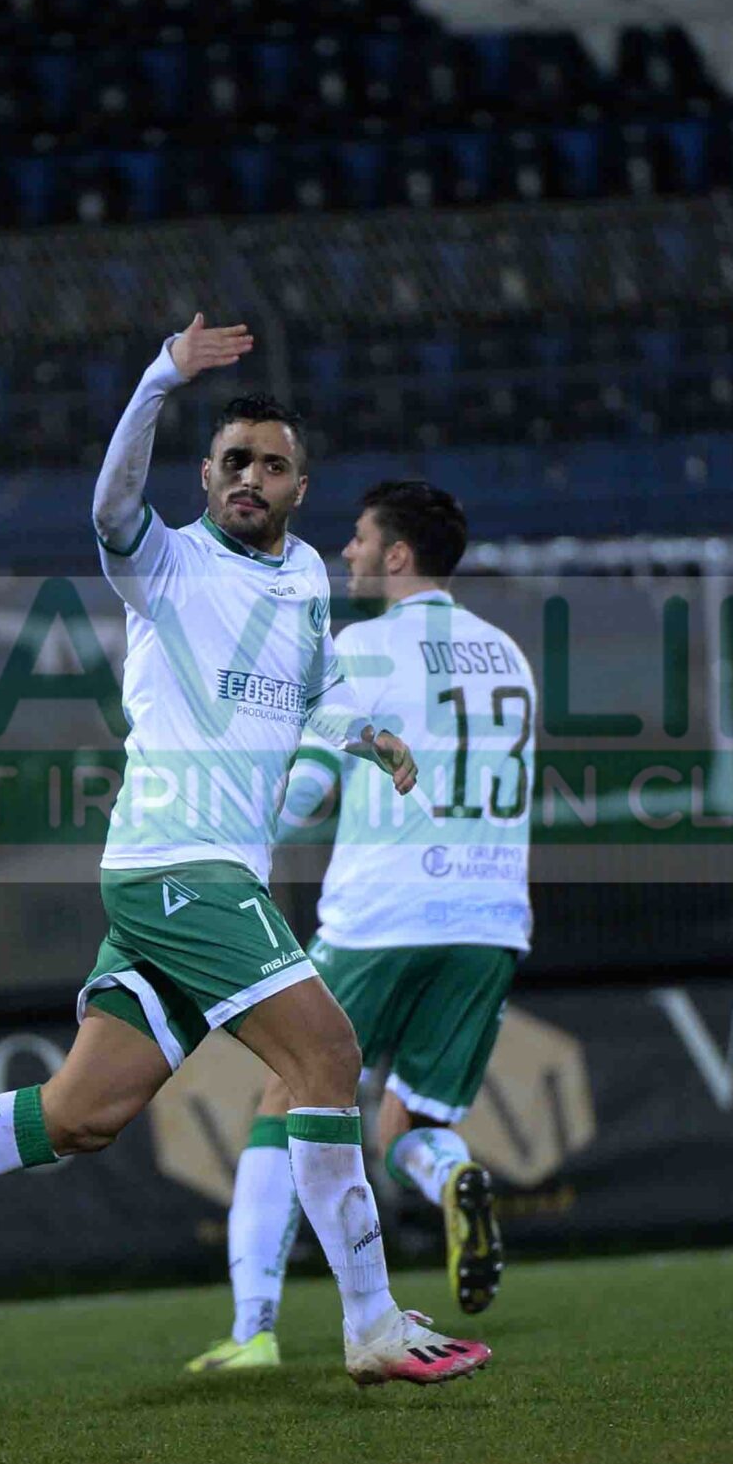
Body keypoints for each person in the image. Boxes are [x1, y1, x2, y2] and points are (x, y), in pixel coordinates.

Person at [0, 317, 492, 1386]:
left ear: (300, 488)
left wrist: (363, 731)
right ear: (204, 476)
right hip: (181, 864)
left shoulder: (303, 578)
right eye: (232, 461)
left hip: (187, 880)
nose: (250, 476)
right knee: (328, 1060)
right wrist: (162, 377)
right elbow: (109, 504)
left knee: (82, 1115)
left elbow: (311, 690)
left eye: (272, 463)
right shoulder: (162, 564)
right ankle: (372, 1324)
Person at [188, 480, 533, 1373]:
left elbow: (307, 781)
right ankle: (454, 1179)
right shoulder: (509, 655)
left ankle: (253, 1327)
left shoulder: (365, 650)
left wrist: (240, 833)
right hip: (492, 917)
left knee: (282, 1092)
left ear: (398, 556)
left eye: (359, 539)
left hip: (383, 911)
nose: (345, 553)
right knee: (405, 1123)